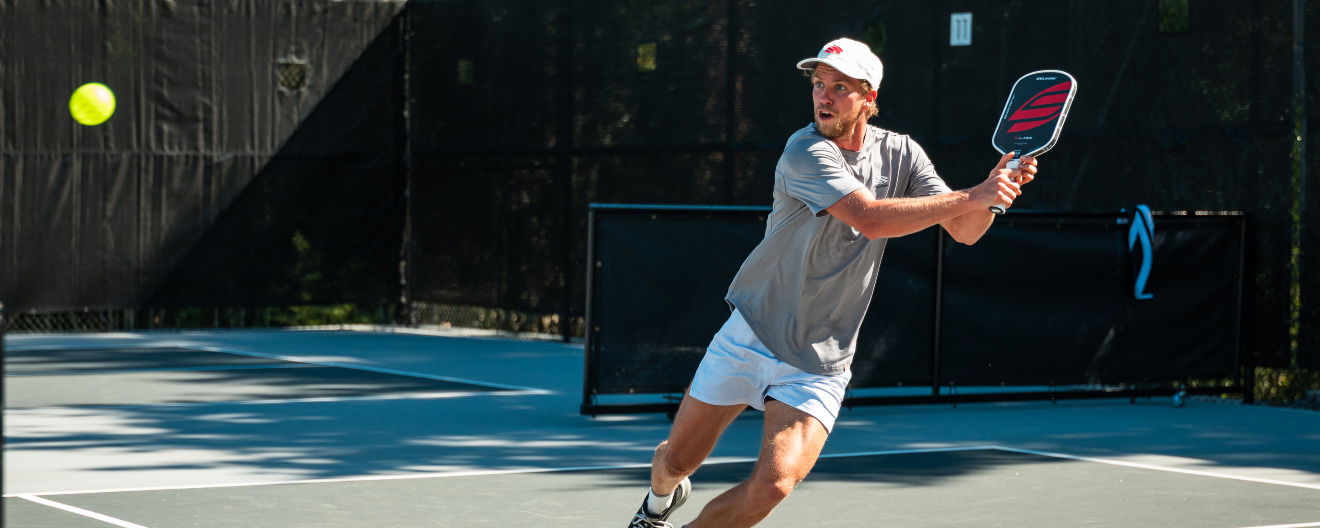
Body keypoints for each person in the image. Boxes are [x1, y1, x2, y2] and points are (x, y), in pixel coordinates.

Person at [625, 37, 1038, 528]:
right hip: (752, 332)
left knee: (774, 484)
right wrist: (975, 193)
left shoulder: (902, 153)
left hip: (821, 359)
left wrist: (996, 189)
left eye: (840, 87)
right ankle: (658, 503)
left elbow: (965, 231)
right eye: (819, 84)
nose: (824, 96)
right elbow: (870, 218)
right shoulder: (804, 149)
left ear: (869, 98)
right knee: (676, 461)